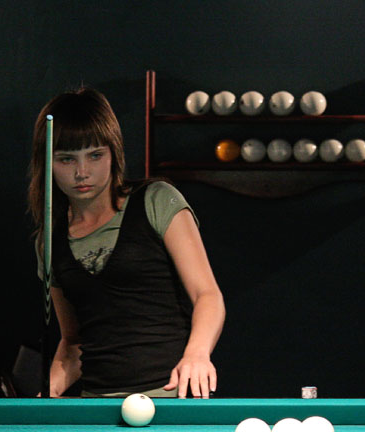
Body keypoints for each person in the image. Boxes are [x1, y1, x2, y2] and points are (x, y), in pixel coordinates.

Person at [27, 88, 224, 398]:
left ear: (113, 153)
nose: (82, 172)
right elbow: (73, 343)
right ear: (47, 163)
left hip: (173, 398)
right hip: (96, 406)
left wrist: (197, 355)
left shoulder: (157, 200)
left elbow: (207, 295)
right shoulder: (49, 242)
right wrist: (46, 394)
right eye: (66, 159)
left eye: (95, 155)